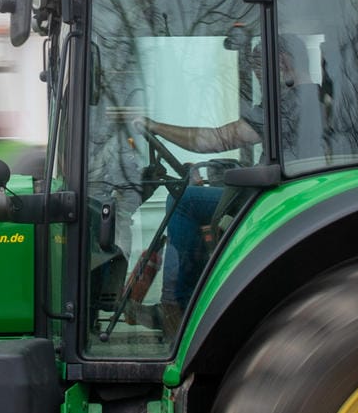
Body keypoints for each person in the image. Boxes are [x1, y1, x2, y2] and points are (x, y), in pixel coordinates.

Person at [134, 34, 318, 330]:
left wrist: (154, 126)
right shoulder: (319, 98)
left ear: (282, 62)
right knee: (198, 192)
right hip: (287, 193)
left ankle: (176, 305)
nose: (258, 76)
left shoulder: (288, 104)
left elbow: (216, 139)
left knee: (183, 201)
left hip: (274, 199)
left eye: (259, 67)